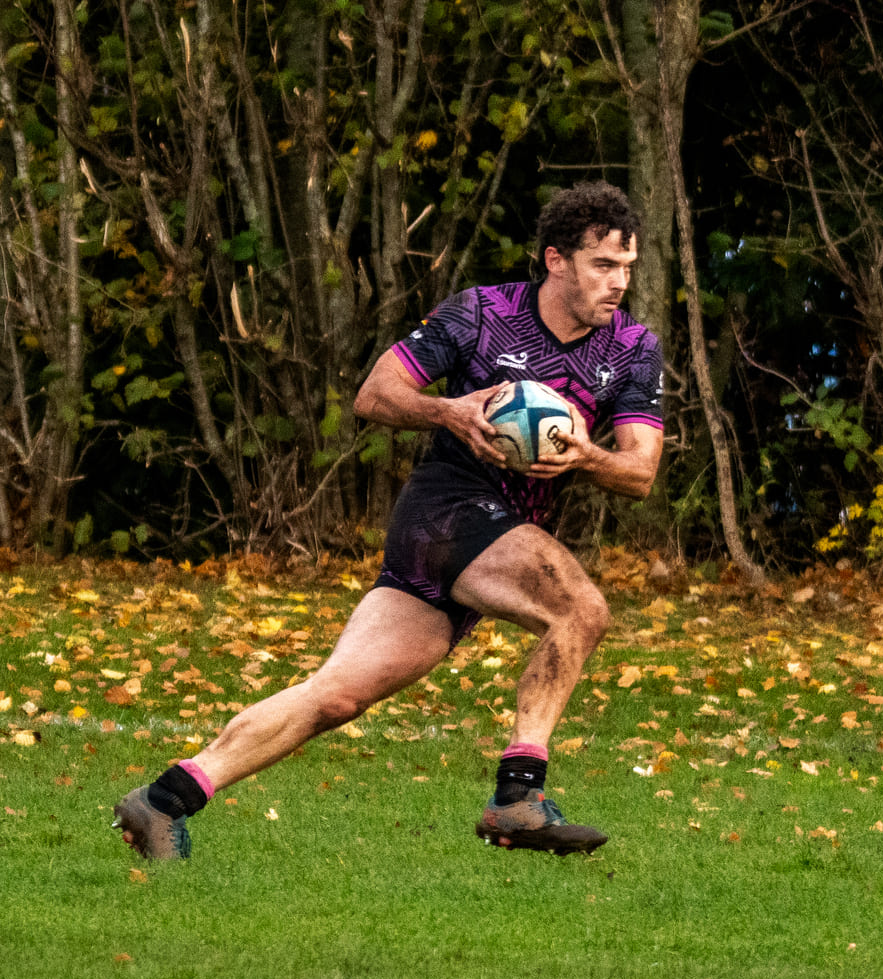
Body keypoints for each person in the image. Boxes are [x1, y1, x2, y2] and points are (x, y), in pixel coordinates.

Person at [112, 180, 664, 859]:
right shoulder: (482, 314)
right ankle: (519, 797)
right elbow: (376, 394)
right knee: (580, 609)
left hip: (496, 538)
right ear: (556, 260)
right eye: (603, 265)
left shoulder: (633, 347)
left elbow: (639, 472)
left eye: (627, 268)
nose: (618, 283)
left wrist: (584, 456)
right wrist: (451, 412)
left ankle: (164, 800)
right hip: (445, 510)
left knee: (336, 697)